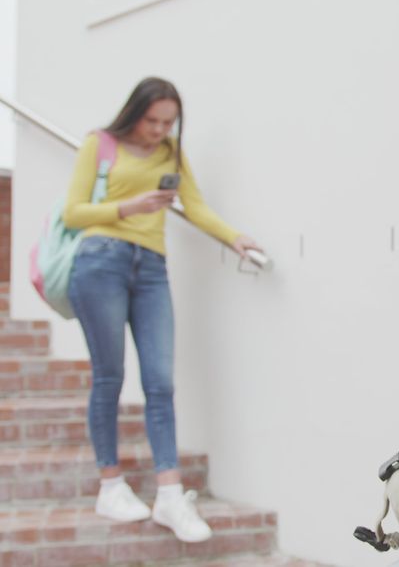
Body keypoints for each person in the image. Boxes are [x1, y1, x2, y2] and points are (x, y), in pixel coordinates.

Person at [63, 76, 261, 543]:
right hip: (100, 261)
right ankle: (110, 485)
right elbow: (73, 212)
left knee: (160, 382)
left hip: (151, 268)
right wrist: (129, 206)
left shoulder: (171, 152)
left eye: (168, 123)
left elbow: (195, 206)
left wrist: (233, 238)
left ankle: (170, 494)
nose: (158, 130)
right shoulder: (100, 143)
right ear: (134, 112)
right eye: (152, 120)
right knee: (109, 376)